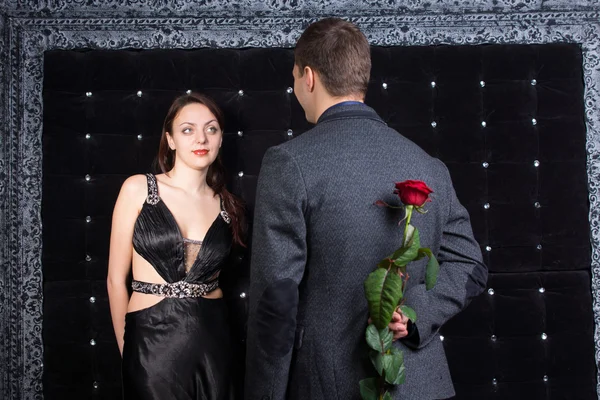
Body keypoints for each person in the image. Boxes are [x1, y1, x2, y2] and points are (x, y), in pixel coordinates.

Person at [244, 17, 488, 400]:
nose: (295, 89)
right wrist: (415, 314)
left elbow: (276, 301)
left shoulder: (289, 163)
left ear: (309, 77)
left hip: (328, 386)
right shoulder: (427, 165)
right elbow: (470, 265)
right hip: (422, 388)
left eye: (294, 78)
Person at [107, 92, 245, 400]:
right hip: (152, 344)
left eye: (211, 129)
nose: (201, 138)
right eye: (188, 130)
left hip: (214, 345)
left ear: (221, 139)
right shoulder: (137, 189)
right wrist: (127, 349)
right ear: (170, 139)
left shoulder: (228, 205)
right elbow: (116, 280)